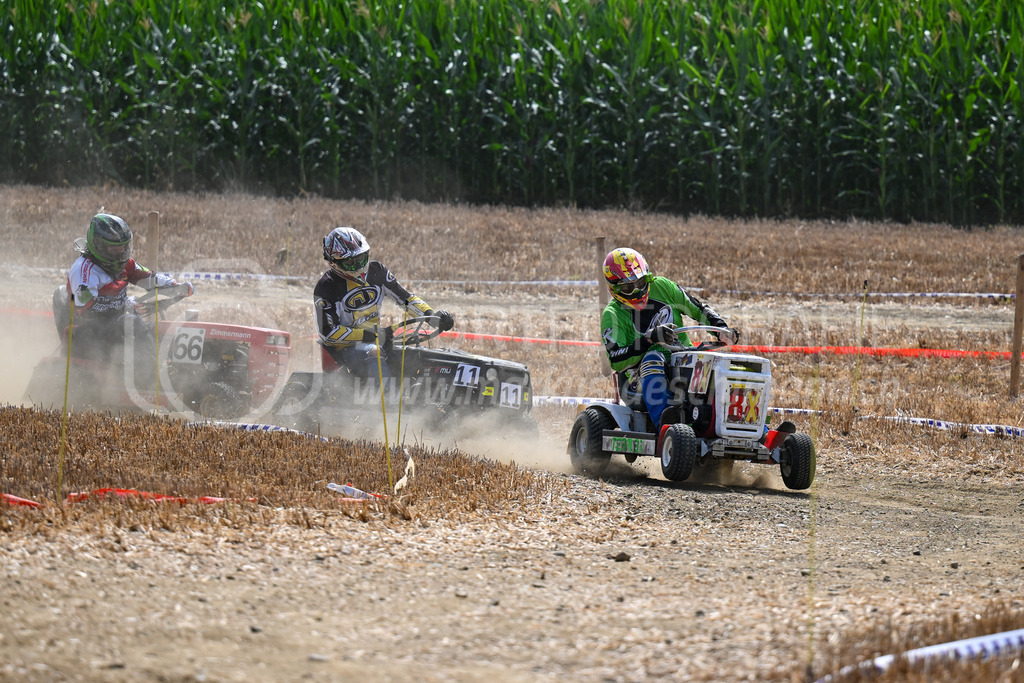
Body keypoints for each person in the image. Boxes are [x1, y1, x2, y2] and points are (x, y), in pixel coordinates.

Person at [601, 247, 739, 428]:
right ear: (614, 289)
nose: (637, 291)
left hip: (682, 360)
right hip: (638, 378)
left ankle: (748, 426)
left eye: (641, 283)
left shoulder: (663, 287)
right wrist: (648, 340)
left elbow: (697, 308)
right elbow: (616, 360)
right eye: (628, 288)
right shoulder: (612, 314)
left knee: (719, 364)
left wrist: (720, 328)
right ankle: (665, 425)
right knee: (653, 358)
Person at [64, 213, 194, 383]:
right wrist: (126, 304)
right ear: (98, 246)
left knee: (157, 330)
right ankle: (151, 379)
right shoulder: (83, 270)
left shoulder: (125, 264)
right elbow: (87, 308)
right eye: (113, 249)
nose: (120, 253)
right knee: (133, 323)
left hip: (114, 325)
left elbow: (148, 278)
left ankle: (178, 375)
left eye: (123, 247)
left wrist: (176, 286)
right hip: (87, 330)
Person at [314, 226, 454, 379]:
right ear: (333, 263)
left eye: (362, 258)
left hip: (376, 339)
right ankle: (384, 394)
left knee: (410, 355)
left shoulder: (377, 271)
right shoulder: (326, 286)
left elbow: (406, 299)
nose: (359, 266)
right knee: (375, 352)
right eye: (351, 262)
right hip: (345, 350)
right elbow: (328, 333)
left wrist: (431, 315)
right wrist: (367, 335)